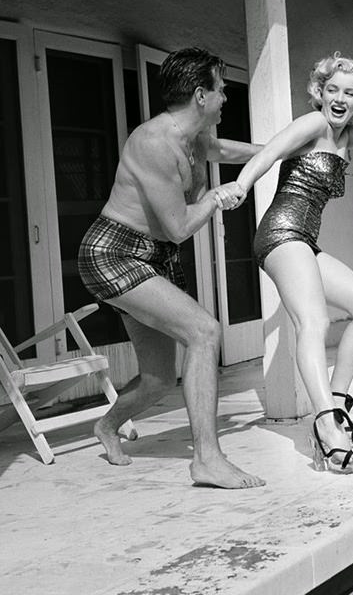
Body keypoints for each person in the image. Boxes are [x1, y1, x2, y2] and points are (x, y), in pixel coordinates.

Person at [217, 53, 353, 473]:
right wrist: (241, 183)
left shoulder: (350, 137)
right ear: (320, 93)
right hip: (281, 232)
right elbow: (270, 153)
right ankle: (325, 426)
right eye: (332, 90)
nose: (340, 98)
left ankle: (338, 403)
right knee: (315, 323)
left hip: (305, 239)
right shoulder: (314, 124)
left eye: (350, 92)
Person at [78, 47, 265, 488]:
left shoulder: (196, 137)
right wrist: (217, 198)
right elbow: (179, 226)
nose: (226, 98)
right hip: (114, 253)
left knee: (159, 380)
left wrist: (299, 144)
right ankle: (207, 459)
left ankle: (106, 426)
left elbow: (238, 151)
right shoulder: (154, 143)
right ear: (201, 95)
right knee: (205, 331)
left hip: (152, 258)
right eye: (222, 89)